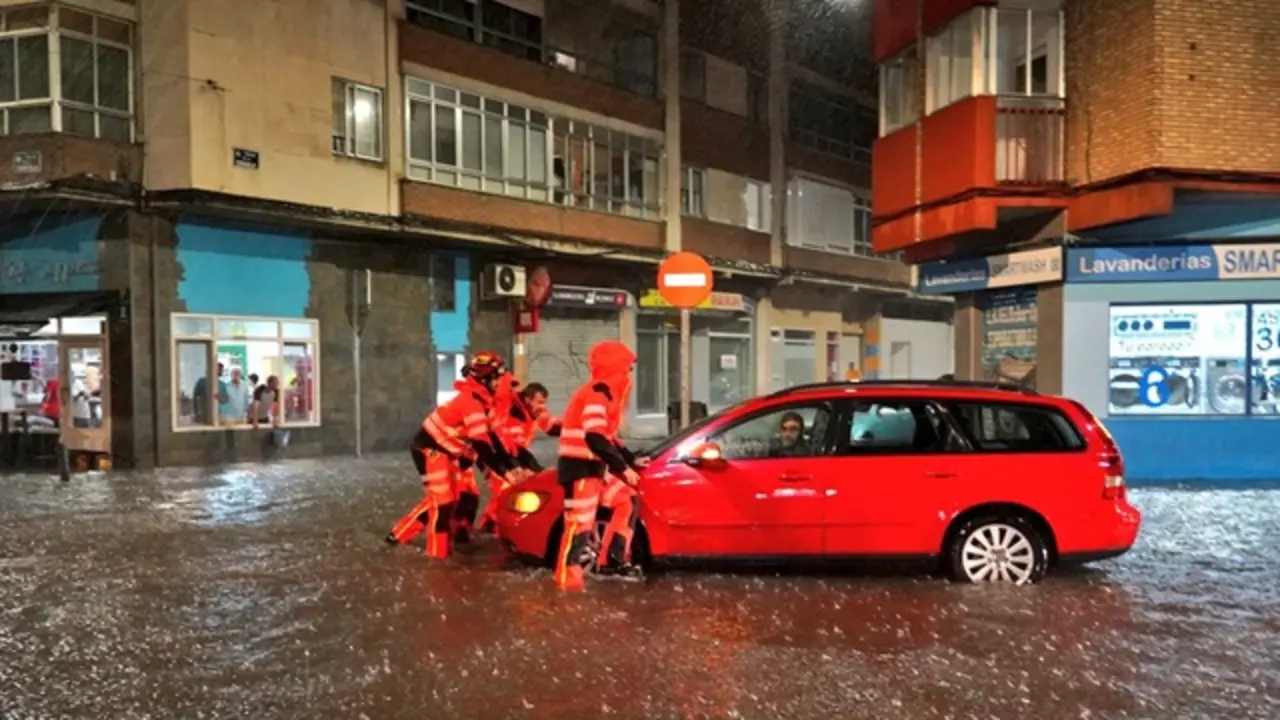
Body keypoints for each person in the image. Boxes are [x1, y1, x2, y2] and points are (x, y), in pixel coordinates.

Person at [385, 351, 520, 559]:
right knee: (443, 503)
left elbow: (494, 439)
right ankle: (436, 557)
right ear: (485, 379)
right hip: (431, 449)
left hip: (451, 452)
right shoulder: (472, 402)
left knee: (456, 498)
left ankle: (404, 537)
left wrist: (512, 467)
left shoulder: (486, 402)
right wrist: (504, 471)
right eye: (498, 378)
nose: (502, 383)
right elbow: (481, 443)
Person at [553, 340, 643, 591]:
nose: (629, 375)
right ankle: (567, 584)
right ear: (616, 367)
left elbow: (606, 436)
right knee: (578, 525)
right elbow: (594, 436)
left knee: (626, 499)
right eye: (627, 368)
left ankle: (611, 561)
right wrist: (623, 468)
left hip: (593, 468)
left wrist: (630, 460)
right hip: (580, 469)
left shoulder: (605, 393)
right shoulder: (598, 392)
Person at [478, 381, 561, 534]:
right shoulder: (513, 413)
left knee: (508, 491)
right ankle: (495, 527)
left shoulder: (533, 410)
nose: (543, 406)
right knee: (505, 490)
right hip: (498, 456)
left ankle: (491, 526)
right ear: (528, 400)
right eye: (540, 402)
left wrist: (574, 427)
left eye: (544, 402)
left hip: (510, 455)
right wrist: (532, 467)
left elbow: (552, 426)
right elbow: (512, 448)